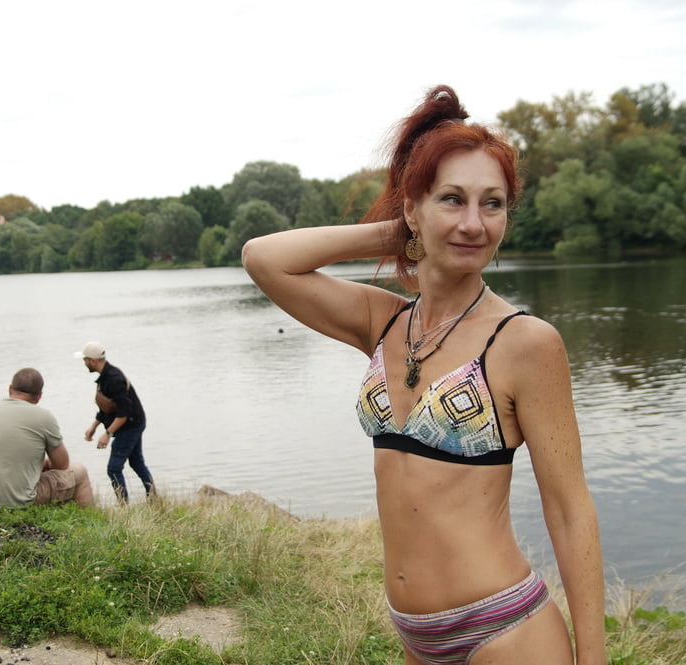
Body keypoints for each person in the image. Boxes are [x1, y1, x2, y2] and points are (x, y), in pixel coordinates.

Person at [242, 86, 605, 665]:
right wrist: (403, 233)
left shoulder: (524, 343)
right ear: (411, 207)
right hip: (416, 637)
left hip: (505, 631)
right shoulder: (381, 321)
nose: (474, 223)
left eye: (493, 204)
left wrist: (595, 657)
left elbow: (569, 507)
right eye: (452, 200)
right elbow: (264, 257)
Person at [0, 367, 94, 508]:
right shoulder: (44, 417)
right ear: (39, 396)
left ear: (10, 389)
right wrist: (46, 464)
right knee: (79, 472)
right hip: (17, 502)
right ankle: (88, 522)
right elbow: (62, 465)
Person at [76, 341, 155, 503]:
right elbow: (107, 408)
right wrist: (93, 427)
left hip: (131, 425)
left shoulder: (114, 379)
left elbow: (124, 413)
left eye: (85, 360)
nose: (84, 363)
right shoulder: (105, 378)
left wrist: (107, 434)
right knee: (136, 462)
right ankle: (154, 498)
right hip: (131, 423)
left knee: (113, 469)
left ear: (93, 360)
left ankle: (123, 506)